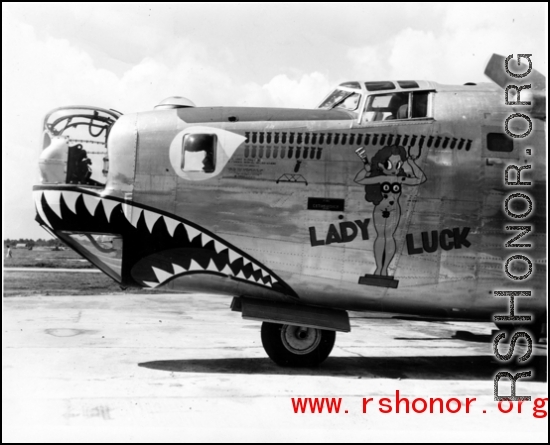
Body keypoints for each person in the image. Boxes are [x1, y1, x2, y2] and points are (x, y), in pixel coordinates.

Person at [354, 144, 426, 276]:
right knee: (381, 237)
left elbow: (420, 178)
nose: (394, 168)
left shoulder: (399, 178)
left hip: (394, 211)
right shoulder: (382, 178)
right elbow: (358, 179)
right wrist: (366, 169)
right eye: (389, 164)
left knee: (389, 237)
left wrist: (411, 162)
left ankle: (384, 269)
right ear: (381, 163)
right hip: (380, 210)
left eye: (398, 165)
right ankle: (379, 269)